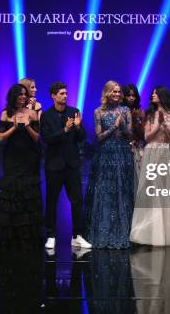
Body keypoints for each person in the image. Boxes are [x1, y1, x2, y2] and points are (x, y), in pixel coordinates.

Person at [40, 82, 91, 250]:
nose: (65, 96)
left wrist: (77, 127)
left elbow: (82, 138)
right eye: (61, 93)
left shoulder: (74, 112)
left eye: (66, 93)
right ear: (53, 96)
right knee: (52, 200)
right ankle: (51, 235)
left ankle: (77, 235)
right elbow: (46, 139)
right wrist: (64, 130)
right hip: (54, 165)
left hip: (71, 164)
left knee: (77, 200)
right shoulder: (46, 115)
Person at [130, 86, 170, 246]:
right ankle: (150, 232)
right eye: (152, 93)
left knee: (168, 192)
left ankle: (169, 232)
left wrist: (166, 126)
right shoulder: (150, 114)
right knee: (151, 191)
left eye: (155, 93)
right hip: (152, 153)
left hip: (167, 153)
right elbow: (147, 137)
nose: (152, 95)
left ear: (162, 95)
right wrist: (156, 124)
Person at [84, 81, 134, 249]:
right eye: (114, 92)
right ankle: (103, 233)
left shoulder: (126, 110)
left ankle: (123, 232)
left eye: (119, 92)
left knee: (122, 192)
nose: (117, 95)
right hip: (105, 155)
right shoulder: (99, 112)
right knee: (105, 193)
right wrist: (114, 126)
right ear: (107, 93)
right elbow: (99, 137)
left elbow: (130, 135)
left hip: (122, 154)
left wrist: (123, 126)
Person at [0, 84, 42, 249]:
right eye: (20, 94)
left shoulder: (32, 113)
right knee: (12, 193)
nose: (23, 97)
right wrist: (14, 128)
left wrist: (28, 126)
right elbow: (0, 138)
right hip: (12, 159)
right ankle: (12, 233)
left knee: (27, 194)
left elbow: (37, 138)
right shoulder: (5, 114)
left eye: (25, 94)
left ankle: (27, 233)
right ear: (14, 96)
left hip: (29, 159)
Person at [122, 84, 145, 191]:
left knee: (137, 176)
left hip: (136, 147)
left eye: (133, 96)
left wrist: (137, 120)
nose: (131, 98)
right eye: (128, 95)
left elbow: (143, 132)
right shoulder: (119, 110)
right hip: (121, 147)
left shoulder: (139, 111)